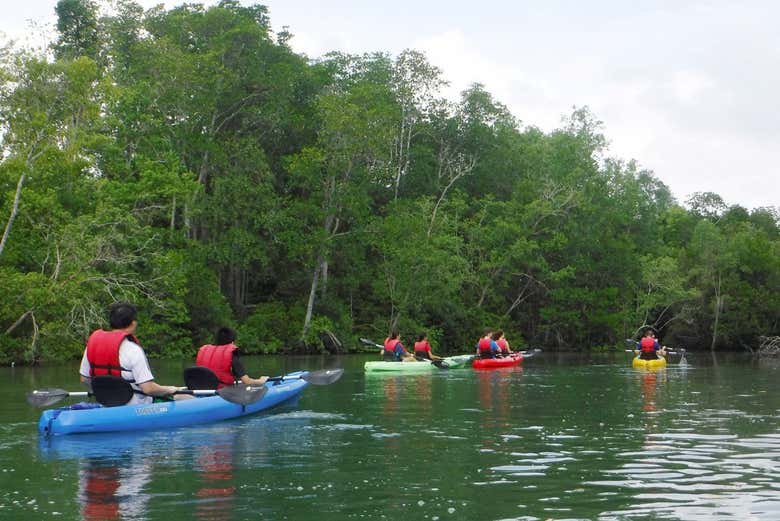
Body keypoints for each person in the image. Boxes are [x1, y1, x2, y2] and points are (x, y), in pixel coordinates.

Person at [79, 302, 184, 405]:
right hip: (135, 407)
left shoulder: (92, 346)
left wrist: (105, 393)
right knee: (184, 397)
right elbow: (148, 389)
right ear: (133, 323)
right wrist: (170, 389)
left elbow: (84, 379)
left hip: (105, 403)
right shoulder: (133, 350)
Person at [196, 327, 269, 388]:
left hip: (200, 388)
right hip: (222, 392)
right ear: (232, 342)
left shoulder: (205, 351)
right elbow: (247, 382)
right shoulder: (231, 354)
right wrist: (261, 381)